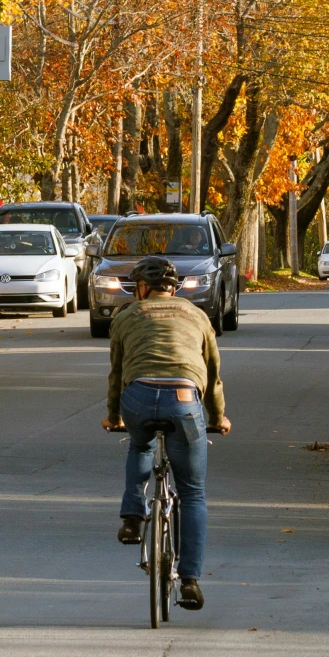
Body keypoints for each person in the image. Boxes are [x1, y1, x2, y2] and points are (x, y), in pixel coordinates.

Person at [104, 254, 230, 612]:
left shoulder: (126, 315)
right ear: (174, 289)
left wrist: (114, 416)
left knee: (139, 444)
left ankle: (131, 518)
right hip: (184, 399)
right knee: (192, 493)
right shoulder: (198, 316)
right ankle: (189, 580)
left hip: (138, 397)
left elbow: (116, 373)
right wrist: (218, 417)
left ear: (143, 288)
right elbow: (213, 372)